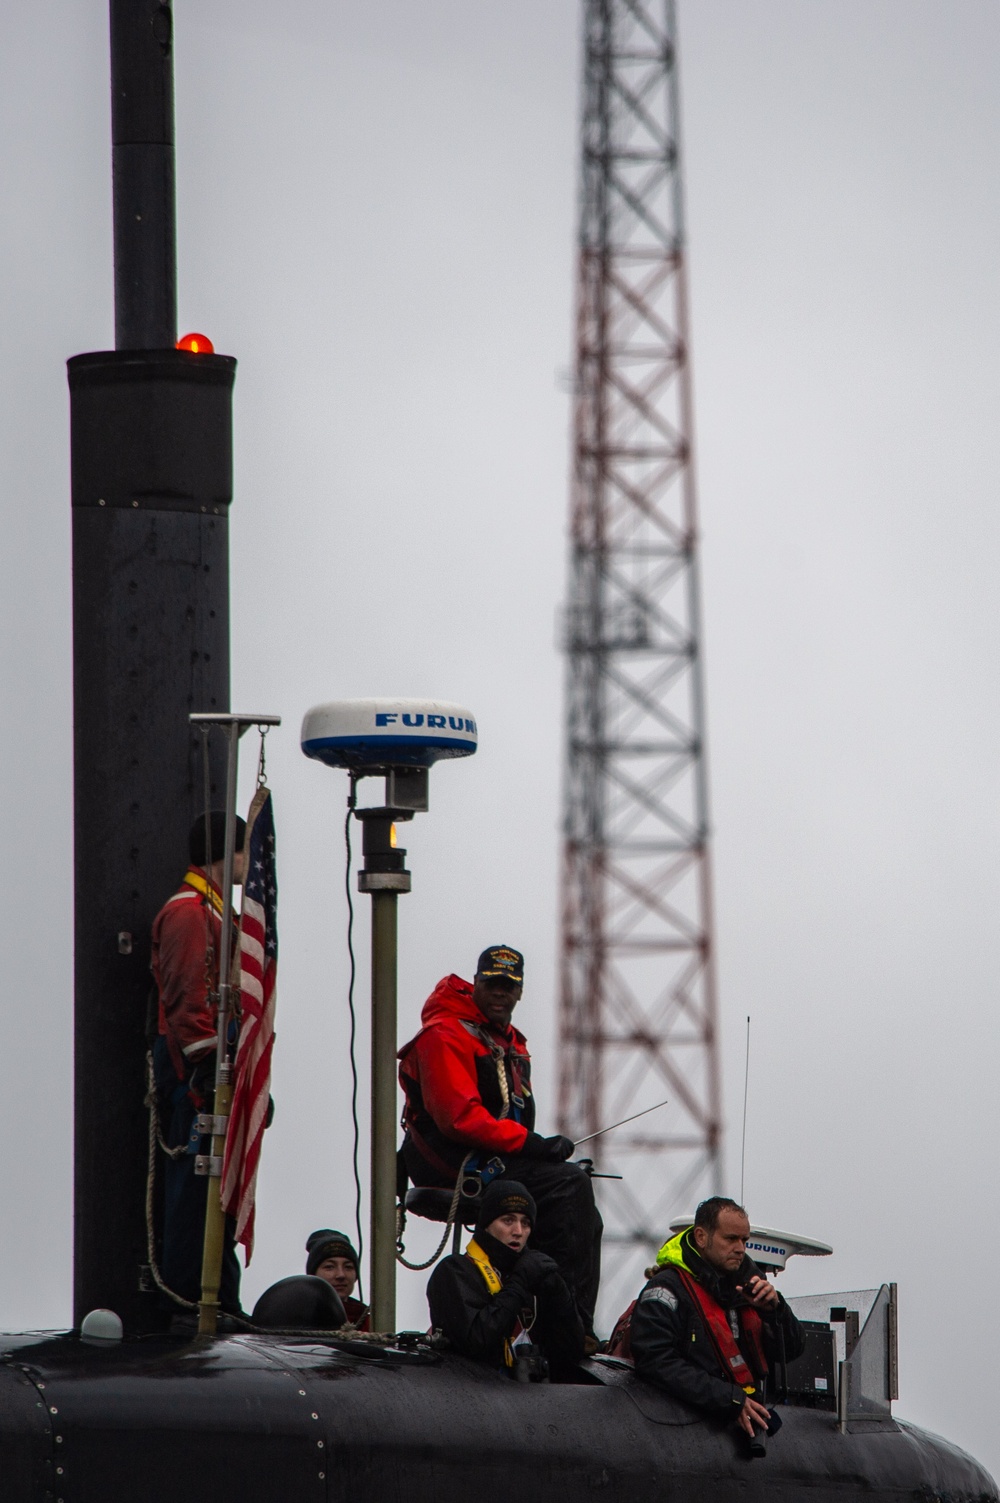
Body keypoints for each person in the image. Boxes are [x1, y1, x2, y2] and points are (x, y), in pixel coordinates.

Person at [397, 945, 603, 1340]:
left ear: (519, 992)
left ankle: (547, 1318)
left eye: (509, 986)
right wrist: (534, 1146)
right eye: (492, 983)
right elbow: (459, 1119)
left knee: (579, 1202)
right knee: (567, 1187)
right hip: (450, 1161)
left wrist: (541, 1153)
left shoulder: (508, 1044)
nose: (500, 992)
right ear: (475, 983)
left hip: (490, 1157)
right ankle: (568, 1329)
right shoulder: (445, 1035)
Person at [608, 1197, 805, 1443]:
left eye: (744, 1240)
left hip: (737, 1431)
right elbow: (654, 1359)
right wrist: (729, 1399)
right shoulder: (667, 1288)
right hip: (680, 1432)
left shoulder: (751, 1288)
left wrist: (775, 1310)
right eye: (731, 1239)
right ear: (701, 1237)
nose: (741, 1248)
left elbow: (793, 1350)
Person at [151, 810, 246, 1315]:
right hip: (195, 1078)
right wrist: (210, 1069)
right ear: (227, 850)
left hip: (214, 1070)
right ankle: (189, 1305)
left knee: (217, 1197)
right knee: (193, 1195)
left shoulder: (212, 910)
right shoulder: (189, 912)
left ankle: (221, 1300)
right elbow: (188, 1001)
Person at [427, 1180, 585, 1380]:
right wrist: (519, 1283)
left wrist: (560, 1293)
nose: (518, 1231)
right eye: (508, 1220)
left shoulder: (536, 1274)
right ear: (486, 1225)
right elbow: (477, 1341)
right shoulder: (455, 1271)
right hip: (474, 1393)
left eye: (525, 1223)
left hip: (532, 1398)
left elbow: (571, 1352)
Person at [305, 1229, 370, 1329]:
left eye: (348, 1267)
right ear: (313, 1275)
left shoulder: (371, 1325)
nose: (341, 1275)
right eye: (329, 1267)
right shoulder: (294, 1319)